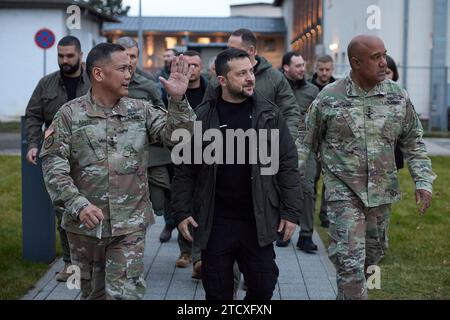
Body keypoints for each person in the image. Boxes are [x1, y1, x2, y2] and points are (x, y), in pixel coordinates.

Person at [40, 43, 196, 300]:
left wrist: (178, 99)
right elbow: (53, 167)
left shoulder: (140, 110)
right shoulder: (69, 115)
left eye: (130, 68)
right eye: (122, 68)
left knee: (124, 295)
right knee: (93, 295)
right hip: (85, 228)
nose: (129, 74)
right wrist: (77, 204)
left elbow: (180, 138)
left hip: (130, 227)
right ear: (99, 74)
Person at [297, 35, 436, 299]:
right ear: (355, 63)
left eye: (384, 55)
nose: (384, 63)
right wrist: (290, 181)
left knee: (371, 258)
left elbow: (414, 143)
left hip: (382, 194)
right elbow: (305, 141)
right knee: (349, 262)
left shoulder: (397, 96)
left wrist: (423, 181)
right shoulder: (329, 97)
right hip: (343, 193)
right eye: (376, 58)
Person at [171, 48, 302, 300]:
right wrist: (182, 211)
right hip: (216, 222)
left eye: (251, 71)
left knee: (263, 286)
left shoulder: (270, 115)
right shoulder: (201, 117)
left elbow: (287, 165)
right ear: (222, 80)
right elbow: (185, 170)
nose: (250, 78)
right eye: (241, 73)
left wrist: (291, 212)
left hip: (258, 220)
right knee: (217, 291)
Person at [25, 35, 90, 282]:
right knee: (64, 210)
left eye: (69, 56)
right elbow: (32, 115)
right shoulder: (46, 84)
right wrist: (33, 143)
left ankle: (95, 262)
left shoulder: (95, 80)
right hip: (58, 158)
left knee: (92, 208)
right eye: (60, 56)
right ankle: (70, 264)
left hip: (90, 157)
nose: (65, 60)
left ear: (80, 55)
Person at [116, 37, 176, 245]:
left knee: (167, 198)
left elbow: (161, 116)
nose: (129, 61)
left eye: (133, 56)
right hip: (115, 161)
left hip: (150, 157)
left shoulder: (148, 85)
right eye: (124, 56)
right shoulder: (102, 82)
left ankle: (186, 246)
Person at [203, 28, 300, 140]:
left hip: (264, 148)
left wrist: (284, 144)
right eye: (228, 47)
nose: (228, 52)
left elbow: (291, 114)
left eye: (233, 48)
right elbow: (206, 110)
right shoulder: (220, 77)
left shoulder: (275, 78)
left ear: (251, 50)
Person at [276, 52, 319, 253]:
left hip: (305, 147)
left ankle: (306, 235)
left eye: (303, 65)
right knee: (277, 188)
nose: (302, 69)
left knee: (307, 189)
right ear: (286, 68)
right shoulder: (277, 88)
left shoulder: (313, 91)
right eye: (298, 65)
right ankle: (282, 231)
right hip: (279, 145)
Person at [172, 50, 208, 280]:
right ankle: (185, 250)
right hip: (176, 153)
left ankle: (199, 258)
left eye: (195, 65)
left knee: (200, 205)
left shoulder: (211, 91)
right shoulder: (171, 89)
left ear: (201, 68)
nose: (192, 69)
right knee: (180, 204)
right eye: (188, 65)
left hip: (204, 155)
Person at [311, 54, 337, 229]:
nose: (324, 73)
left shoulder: (338, 88)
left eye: (327, 69)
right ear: (315, 68)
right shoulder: (308, 87)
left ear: (332, 69)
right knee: (311, 179)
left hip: (332, 143)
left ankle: (325, 214)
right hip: (312, 141)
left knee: (329, 182)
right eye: (321, 69)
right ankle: (308, 211)